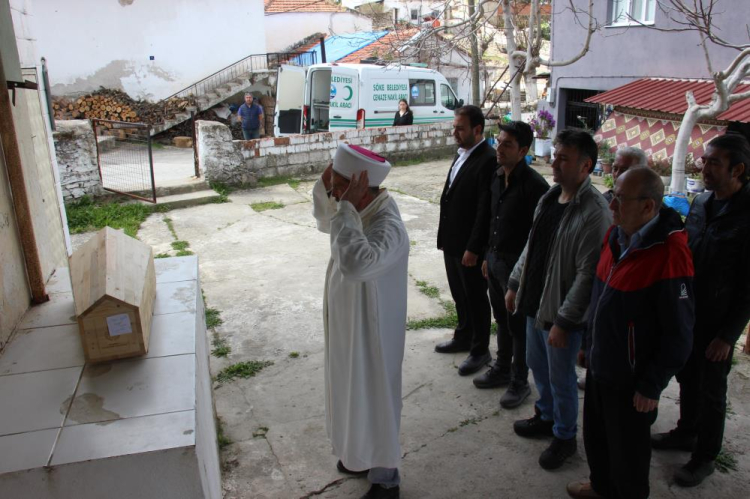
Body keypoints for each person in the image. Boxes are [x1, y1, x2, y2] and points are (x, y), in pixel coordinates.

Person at [567, 167, 695, 499]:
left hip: (633, 379)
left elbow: (679, 331)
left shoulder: (670, 252)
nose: (611, 205)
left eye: (620, 199)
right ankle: (600, 486)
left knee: (629, 456)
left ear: (648, 206)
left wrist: (652, 384)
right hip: (601, 364)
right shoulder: (616, 235)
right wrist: (588, 343)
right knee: (597, 437)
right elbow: (599, 297)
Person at [505, 129, 612, 470]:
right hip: (535, 303)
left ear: (586, 166)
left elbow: (588, 274)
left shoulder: (594, 211)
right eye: (555, 156)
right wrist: (514, 283)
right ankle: (546, 416)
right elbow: (532, 244)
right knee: (537, 366)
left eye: (564, 158)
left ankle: (565, 437)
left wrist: (565, 322)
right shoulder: (551, 197)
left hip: (560, 314)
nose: (554, 163)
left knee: (561, 378)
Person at [651, 133, 750, 488]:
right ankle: (686, 431)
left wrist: (728, 336)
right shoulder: (701, 202)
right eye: (704, 160)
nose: (704, 168)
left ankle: (706, 456)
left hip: (718, 320)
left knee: (711, 389)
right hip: (689, 311)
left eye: (714, 163)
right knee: (687, 376)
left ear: (737, 170)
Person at [312, 144, 410, 499]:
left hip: (373, 334)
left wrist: (347, 208)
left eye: (341, 188)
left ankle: (386, 477)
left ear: (361, 188)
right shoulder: (358, 208)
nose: (336, 196)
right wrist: (329, 188)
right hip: (349, 323)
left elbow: (356, 264)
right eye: (335, 188)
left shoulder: (389, 227)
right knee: (349, 390)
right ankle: (359, 455)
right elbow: (328, 220)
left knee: (374, 397)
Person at [475, 120, 549, 411]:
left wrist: (520, 279)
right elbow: (492, 220)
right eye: (498, 141)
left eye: (507, 144)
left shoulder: (535, 186)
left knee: (519, 326)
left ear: (523, 150)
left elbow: (537, 238)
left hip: (518, 268)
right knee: (502, 319)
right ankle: (502, 367)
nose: (499, 148)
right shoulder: (497, 176)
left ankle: (520, 380)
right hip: (495, 261)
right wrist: (487, 256)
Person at [435, 105, 495, 376]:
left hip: (469, 246)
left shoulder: (487, 159)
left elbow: (484, 209)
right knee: (459, 294)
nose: (455, 132)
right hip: (452, 240)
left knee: (475, 297)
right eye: (454, 127)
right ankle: (463, 335)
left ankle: (480, 349)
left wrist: (474, 248)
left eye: (460, 128)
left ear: (477, 129)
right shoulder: (462, 154)